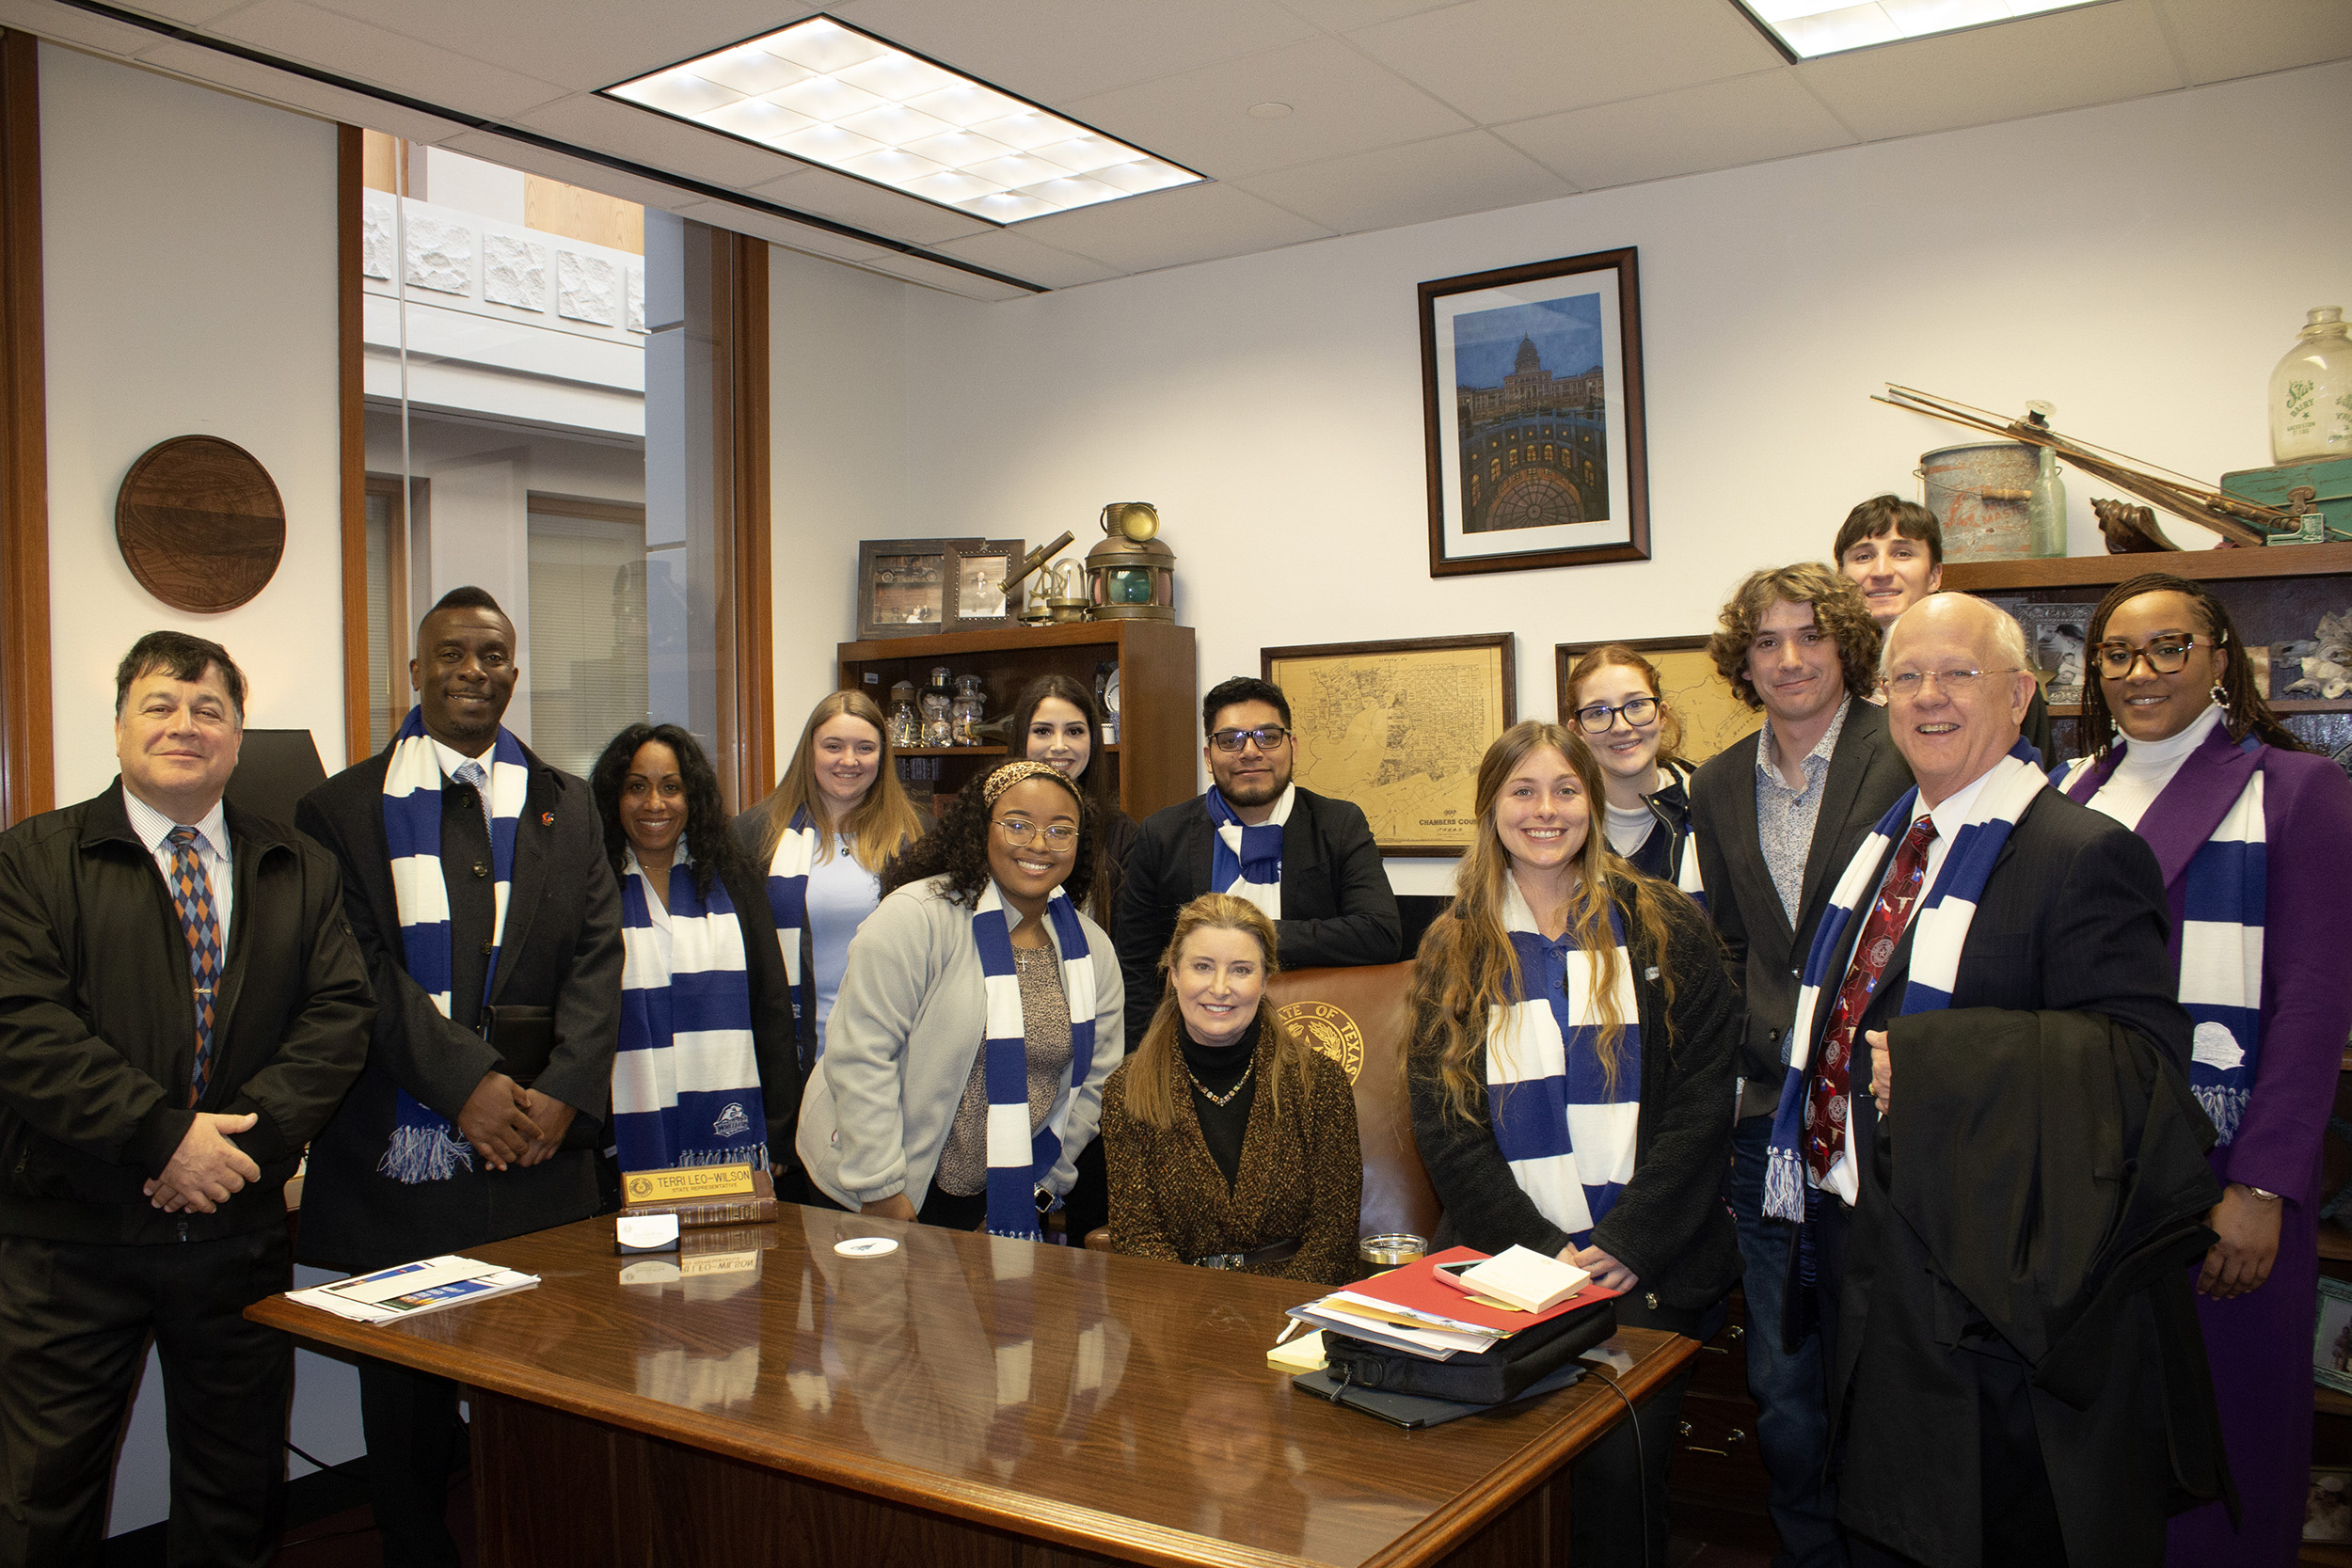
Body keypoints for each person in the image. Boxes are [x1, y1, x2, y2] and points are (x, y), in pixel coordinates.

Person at [1770, 593, 2227, 1567]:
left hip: (1995, 1293)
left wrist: (1943, 1063)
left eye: (1957, 674)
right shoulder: (1883, 849)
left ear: (2020, 694)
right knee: (1885, 1525)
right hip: (1867, 1254)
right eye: (1905, 676)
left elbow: (2141, 1070)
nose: (1927, 698)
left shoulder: (2084, 852)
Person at [0, 633, 373, 1568]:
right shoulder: (32, 860)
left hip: (233, 1231)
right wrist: (165, 1140)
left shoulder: (296, 866)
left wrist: (237, 1149)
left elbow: (338, 1016)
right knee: (40, 1494)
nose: (185, 725)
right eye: (162, 704)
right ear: (121, 724)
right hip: (68, 1237)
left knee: (236, 1486)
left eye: (209, 709)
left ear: (238, 738)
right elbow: (25, 1025)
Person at [294, 586, 623, 1568]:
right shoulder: (341, 808)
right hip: (406, 1156)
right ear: (415, 670)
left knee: (549, 1366)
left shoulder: (570, 802)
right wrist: (466, 1087)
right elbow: (353, 967)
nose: (472, 670)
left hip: (542, 1150)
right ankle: (415, 1544)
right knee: (406, 1397)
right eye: (451, 652)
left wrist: (563, 1089)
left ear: (513, 675)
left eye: (491, 654)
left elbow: (599, 959)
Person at [2054, 573, 2352, 1567]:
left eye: (2168, 646)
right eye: (2116, 652)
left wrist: (2263, 1185)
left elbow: (2313, 1007)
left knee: (2227, 1445)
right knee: (2104, 1445)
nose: (2141, 672)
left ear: (2222, 658)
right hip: (2093, 1180)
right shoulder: (2067, 790)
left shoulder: (2299, 790)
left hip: (2223, 1178)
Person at [1407, 721, 1740, 1568]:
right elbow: (1445, 1125)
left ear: (1592, 805)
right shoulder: (1454, 944)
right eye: (1523, 790)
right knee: (1498, 1500)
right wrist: (1543, 1249)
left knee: (1617, 1495)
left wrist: (1627, 1241)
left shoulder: (1662, 922)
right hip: (1507, 1267)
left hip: (1646, 1266)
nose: (1545, 809)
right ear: (1490, 810)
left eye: (1565, 789)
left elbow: (1704, 1098)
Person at [1687, 562, 1910, 1568]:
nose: (1788, 659)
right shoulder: (1720, 779)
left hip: (1880, 1115)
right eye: (1766, 641)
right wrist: (1749, 1030)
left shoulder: (1903, 747)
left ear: (1846, 647)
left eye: (1809, 637)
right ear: (1742, 659)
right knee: (1782, 1389)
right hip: (1761, 1126)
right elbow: (1725, 941)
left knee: (1888, 1375)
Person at [798, 760, 1121, 1237]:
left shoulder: (1092, 949)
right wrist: (882, 1189)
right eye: (1017, 825)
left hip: (1000, 1199)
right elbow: (861, 1055)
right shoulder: (916, 917)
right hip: (872, 1188)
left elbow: (1095, 1084)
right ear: (980, 829)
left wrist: (1037, 1190)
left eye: (1060, 830)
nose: (1038, 844)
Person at [1116, 675, 1401, 1053]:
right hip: (1191, 1046)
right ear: (1207, 756)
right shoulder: (1164, 834)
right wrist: (1145, 1056)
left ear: (1293, 747)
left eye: (1267, 736)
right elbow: (1135, 964)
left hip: (1308, 1039)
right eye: (1230, 740)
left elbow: (1381, 934)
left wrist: (1251, 940)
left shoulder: (1337, 825)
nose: (1250, 751)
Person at [1099, 893, 1361, 1284]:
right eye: (1202, 967)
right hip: (1174, 1313)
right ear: (1173, 973)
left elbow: (1334, 1235)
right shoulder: (1126, 1089)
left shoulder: (1319, 1083)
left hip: (1294, 1309)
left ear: (1265, 979)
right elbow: (1138, 1238)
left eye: (1240, 970)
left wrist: (1278, 1314)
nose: (1220, 988)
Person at [590, 723, 799, 1199]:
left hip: (732, 1153)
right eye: (636, 787)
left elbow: (771, 1006)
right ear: (613, 797)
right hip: (619, 1143)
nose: (655, 804)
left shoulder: (733, 880)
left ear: (693, 797)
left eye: (671, 788)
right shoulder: (592, 887)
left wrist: (779, 1132)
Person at [1006, 673, 1136, 1242]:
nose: (1059, 746)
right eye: (1042, 731)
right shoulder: (991, 831)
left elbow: (1132, 957)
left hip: (1093, 1052)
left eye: (1074, 731)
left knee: (1089, 1225)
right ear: (1020, 740)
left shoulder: (1124, 836)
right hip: (1009, 1043)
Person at [734, 690, 925, 1079]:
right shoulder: (753, 838)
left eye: (865, 748)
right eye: (833, 746)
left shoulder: (918, 838)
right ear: (810, 752)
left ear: (882, 757)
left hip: (895, 1053)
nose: (849, 760)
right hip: (790, 1054)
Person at [1835, 493, 2054, 764]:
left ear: (1934, 574)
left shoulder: (1999, 665)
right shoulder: (1823, 678)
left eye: (1902, 553)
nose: (1881, 571)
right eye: (1863, 556)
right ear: (1841, 577)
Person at [1564, 642, 1704, 895]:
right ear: (1578, 732)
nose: (1620, 727)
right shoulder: (1560, 823)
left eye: (1636, 705)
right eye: (1598, 712)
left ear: (1662, 715)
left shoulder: (1710, 810)